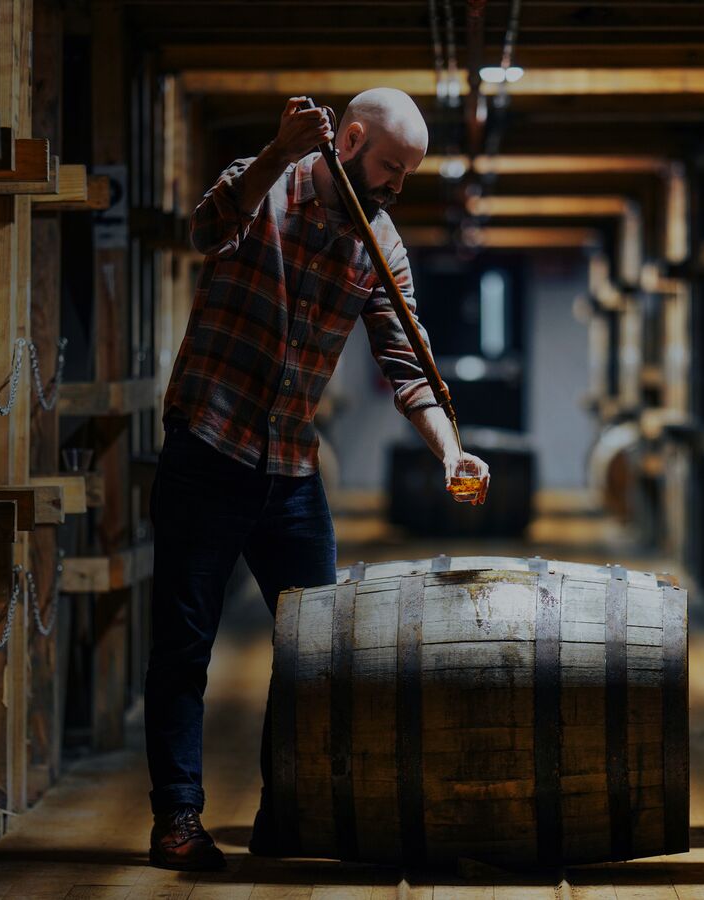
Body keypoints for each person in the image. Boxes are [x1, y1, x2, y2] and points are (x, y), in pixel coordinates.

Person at [145, 87, 491, 871]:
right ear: (351, 139)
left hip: (291, 468)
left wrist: (447, 451)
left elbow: (408, 363)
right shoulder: (265, 183)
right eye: (390, 168)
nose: (397, 186)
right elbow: (206, 227)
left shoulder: (383, 244)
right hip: (208, 446)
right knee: (183, 648)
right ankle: (177, 818)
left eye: (408, 175)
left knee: (317, 653)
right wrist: (274, 151)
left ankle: (287, 814)